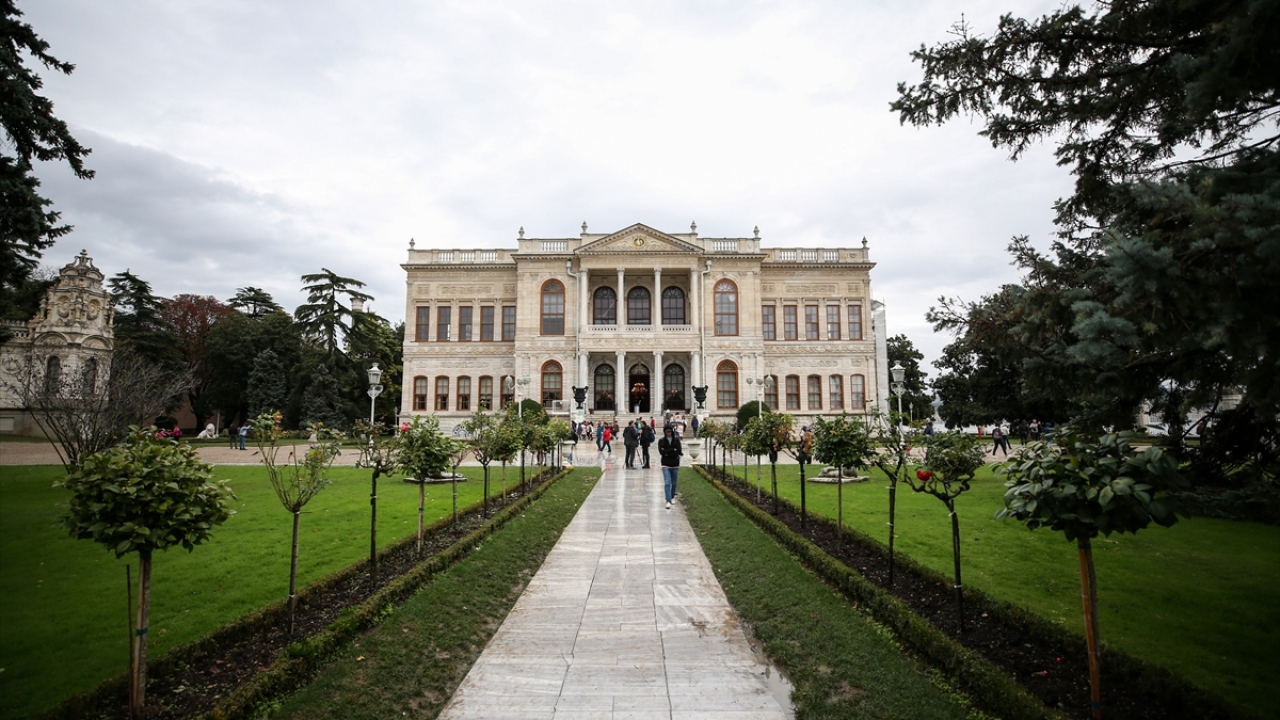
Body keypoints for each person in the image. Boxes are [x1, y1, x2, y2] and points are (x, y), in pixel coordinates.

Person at [658, 426, 682, 509]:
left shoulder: (676, 440)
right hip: (665, 463)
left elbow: (678, 451)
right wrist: (672, 450)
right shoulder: (661, 441)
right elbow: (662, 452)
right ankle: (668, 500)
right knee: (667, 482)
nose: (668, 433)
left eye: (669, 432)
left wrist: (668, 451)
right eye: (667, 432)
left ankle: (672, 497)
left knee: (674, 482)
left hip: (674, 463)